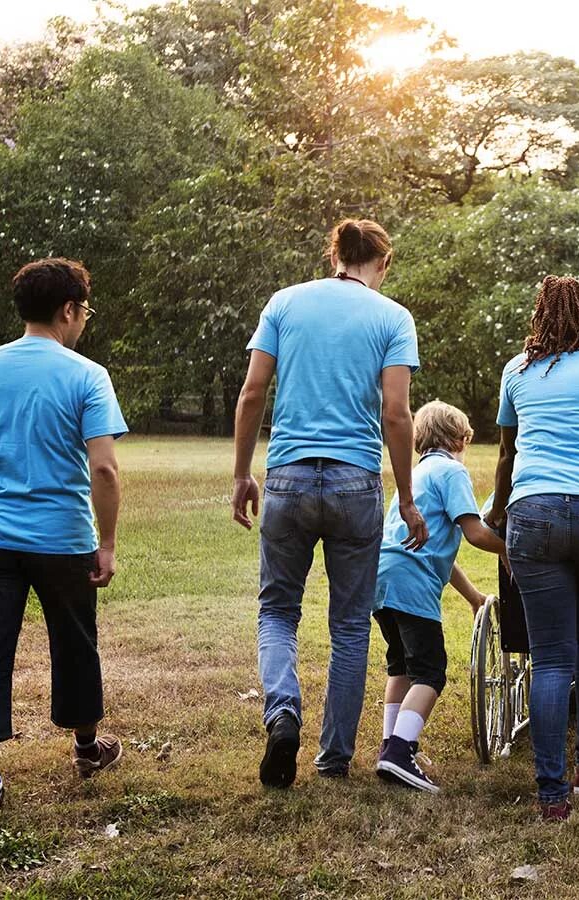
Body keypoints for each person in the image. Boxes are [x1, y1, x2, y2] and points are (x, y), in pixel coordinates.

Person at [231, 219, 427, 789]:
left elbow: (251, 393)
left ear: (334, 255)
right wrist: (408, 498)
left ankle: (283, 713)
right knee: (348, 625)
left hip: (289, 477)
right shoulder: (392, 318)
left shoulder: (285, 304)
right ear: (382, 263)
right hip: (355, 483)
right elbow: (396, 413)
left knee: (277, 611)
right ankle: (334, 757)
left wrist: (243, 474)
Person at [0, 258, 126, 818]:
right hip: (62, 539)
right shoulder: (86, 375)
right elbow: (104, 471)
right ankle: (86, 748)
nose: (84, 322)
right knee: (75, 645)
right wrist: (108, 543)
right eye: (85, 311)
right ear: (68, 310)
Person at [486, 275, 579, 822]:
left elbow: (506, 454)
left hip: (535, 511)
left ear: (539, 316)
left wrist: (500, 510)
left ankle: (552, 795)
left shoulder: (516, 370)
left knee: (551, 657)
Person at [373, 401, 506, 794]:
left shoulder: (415, 476)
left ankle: (389, 746)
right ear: (457, 439)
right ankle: (401, 751)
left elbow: (441, 556)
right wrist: (509, 551)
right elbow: (475, 532)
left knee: (400, 666)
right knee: (430, 672)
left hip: (382, 579)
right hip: (412, 584)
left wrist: (473, 597)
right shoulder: (451, 471)